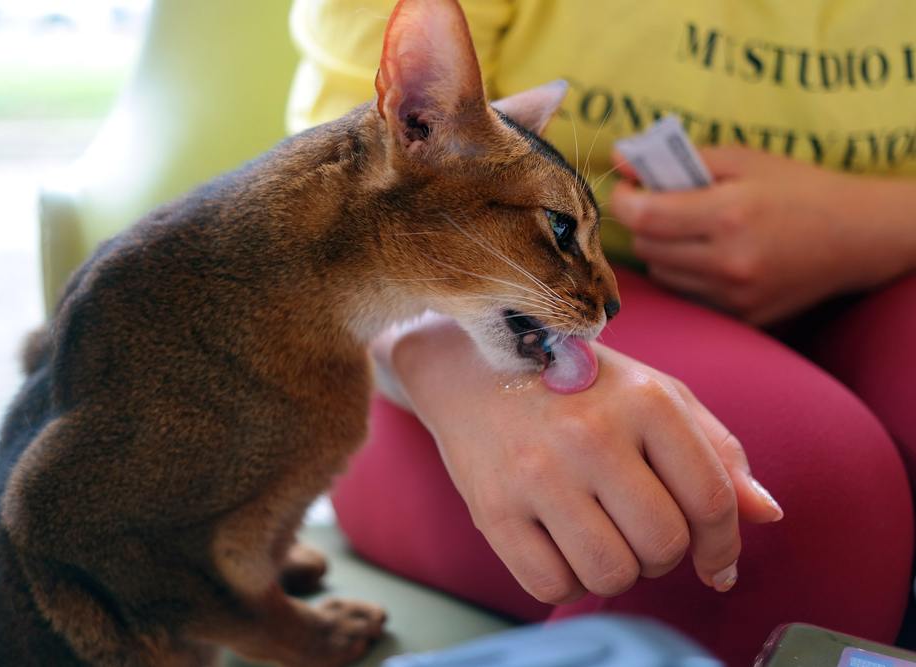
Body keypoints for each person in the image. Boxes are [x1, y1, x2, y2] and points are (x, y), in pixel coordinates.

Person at [287, 1, 916, 663]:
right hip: (439, 344)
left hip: (890, 265)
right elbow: (334, 214)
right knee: (766, 504)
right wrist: (457, 363)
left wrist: (871, 223)